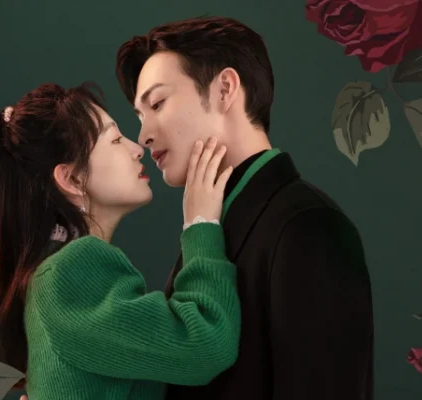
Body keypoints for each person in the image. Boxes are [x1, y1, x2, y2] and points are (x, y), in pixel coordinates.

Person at [108, 16, 375, 400]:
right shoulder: (209, 226)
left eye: (158, 103)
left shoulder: (309, 227)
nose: (144, 135)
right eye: (140, 115)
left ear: (225, 89)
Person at [0, 82, 241, 400]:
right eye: (115, 139)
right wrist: (200, 225)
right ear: (72, 178)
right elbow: (206, 345)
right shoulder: (69, 273)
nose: (137, 148)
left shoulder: (51, 276)